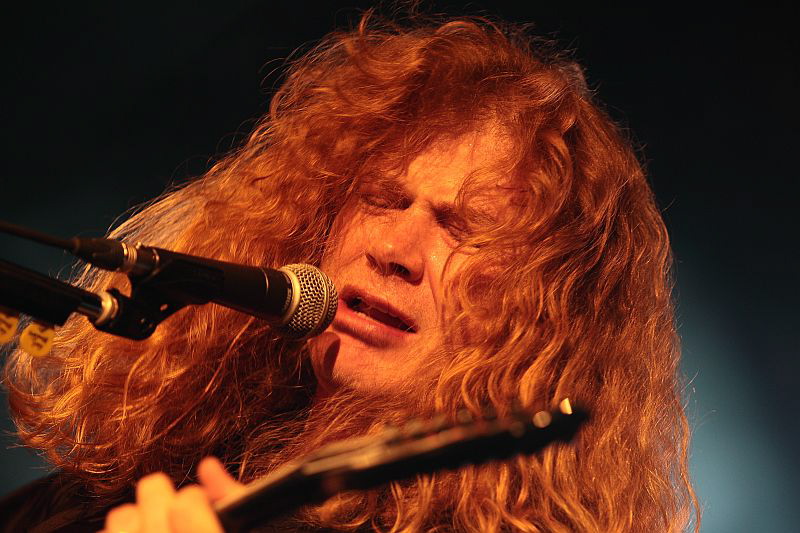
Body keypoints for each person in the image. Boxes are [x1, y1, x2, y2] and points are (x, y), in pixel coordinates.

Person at [2, 11, 699, 532]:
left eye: (465, 227)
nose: (395, 248)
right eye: (384, 197)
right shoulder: (112, 495)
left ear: (545, 309)